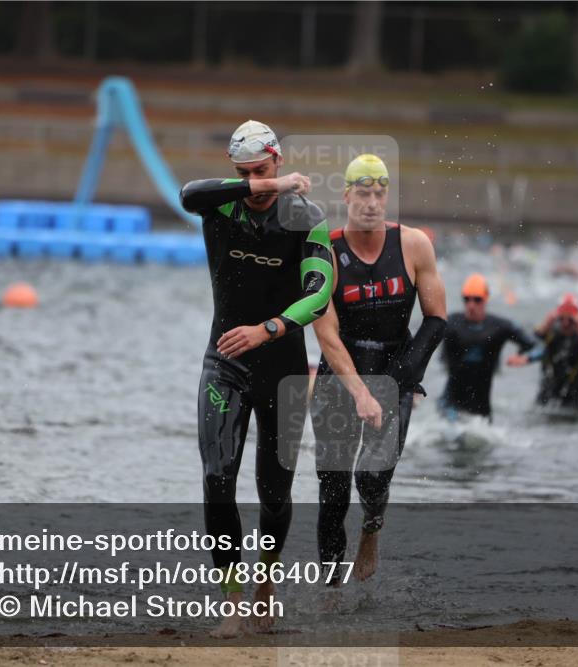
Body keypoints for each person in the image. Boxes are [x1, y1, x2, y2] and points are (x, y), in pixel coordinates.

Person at [179, 120, 334, 637]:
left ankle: (264, 589)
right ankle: (232, 601)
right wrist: (267, 186)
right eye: (244, 174)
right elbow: (188, 194)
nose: (254, 181)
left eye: (262, 170)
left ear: (278, 160)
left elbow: (318, 291)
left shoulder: (306, 217)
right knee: (217, 478)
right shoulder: (220, 204)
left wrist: (268, 328)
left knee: (275, 492)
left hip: (283, 367)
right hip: (225, 362)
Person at [310, 154, 446, 586]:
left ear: (387, 197)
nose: (371, 203)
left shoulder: (413, 244)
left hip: (394, 370)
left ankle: (371, 527)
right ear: (346, 195)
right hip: (340, 371)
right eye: (362, 193)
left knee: (371, 478)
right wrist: (360, 393)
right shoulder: (325, 250)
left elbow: (437, 317)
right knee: (332, 489)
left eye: (379, 194)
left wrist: (406, 376)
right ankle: (330, 590)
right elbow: (327, 334)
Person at [439, 273, 541, 420]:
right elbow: (421, 344)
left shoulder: (499, 327)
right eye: (466, 299)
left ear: (486, 299)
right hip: (450, 404)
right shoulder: (450, 323)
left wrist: (527, 358)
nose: (471, 305)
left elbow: (538, 346)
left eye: (477, 300)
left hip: (481, 406)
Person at [528, 293, 578, 414]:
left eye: (570, 320)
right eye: (562, 319)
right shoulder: (549, 334)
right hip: (543, 402)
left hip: (572, 405)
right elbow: (526, 349)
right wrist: (544, 327)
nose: (565, 323)